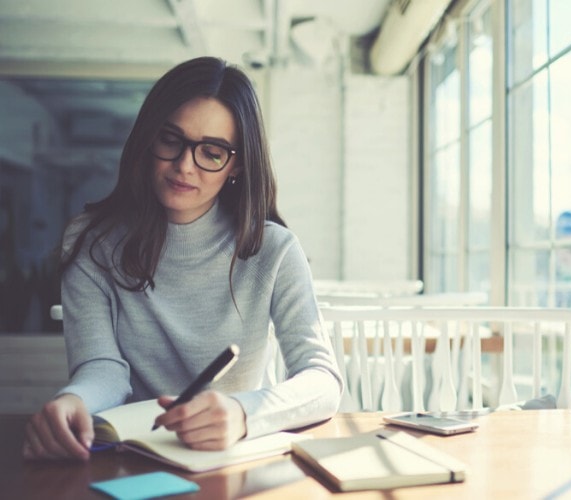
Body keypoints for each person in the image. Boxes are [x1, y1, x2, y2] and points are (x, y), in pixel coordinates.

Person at [22, 56, 342, 461]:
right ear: (148, 138)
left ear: (237, 165)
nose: (184, 166)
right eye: (171, 140)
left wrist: (245, 412)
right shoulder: (92, 239)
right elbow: (103, 368)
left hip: (232, 460)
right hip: (132, 455)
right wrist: (74, 400)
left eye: (211, 152)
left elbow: (322, 379)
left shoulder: (274, 249)